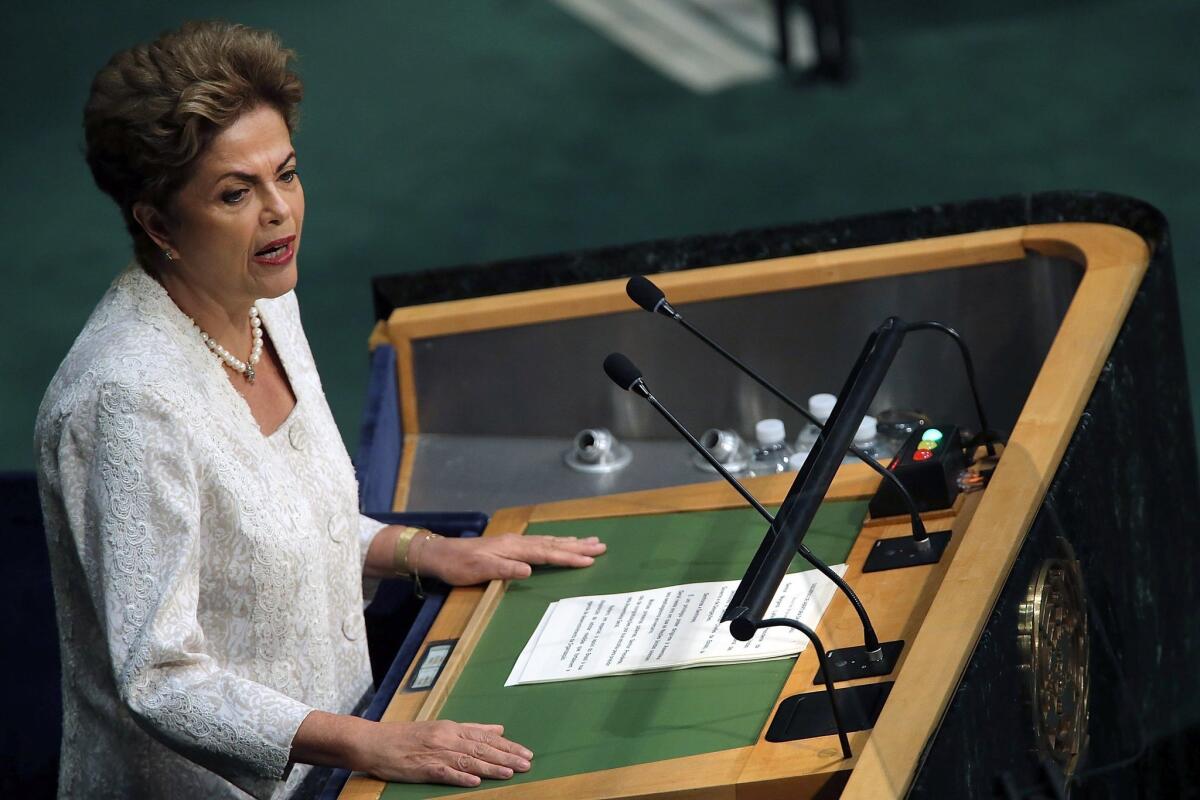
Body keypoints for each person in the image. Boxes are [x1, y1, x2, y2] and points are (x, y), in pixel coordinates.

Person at [34, 20, 606, 799]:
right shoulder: (126, 403)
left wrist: (419, 550)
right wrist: (374, 746)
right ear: (159, 223)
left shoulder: (269, 300)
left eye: (288, 174)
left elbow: (273, 529)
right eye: (237, 192)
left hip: (342, 762)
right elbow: (162, 677)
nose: (280, 212)